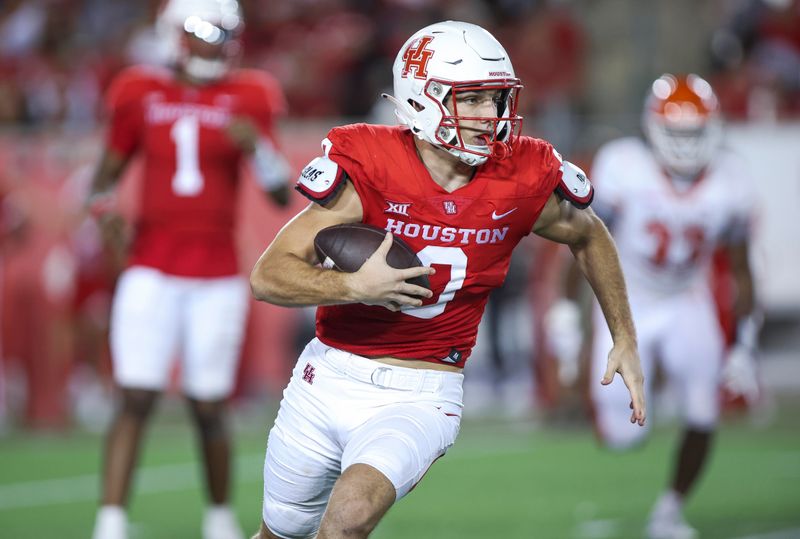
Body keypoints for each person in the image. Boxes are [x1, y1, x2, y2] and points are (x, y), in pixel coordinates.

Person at [248, 21, 645, 539]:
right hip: (327, 378)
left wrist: (624, 335)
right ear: (421, 101)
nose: (491, 117)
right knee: (278, 533)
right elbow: (267, 275)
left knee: (346, 523)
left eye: (496, 100)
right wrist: (352, 287)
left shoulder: (521, 175)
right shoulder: (371, 164)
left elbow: (589, 234)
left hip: (423, 390)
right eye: (473, 100)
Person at [87, 1, 291, 538]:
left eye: (225, 33)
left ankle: (219, 518)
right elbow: (103, 179)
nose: (216, 44)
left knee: (208, 403)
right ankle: (111, 522)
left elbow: (277, 191)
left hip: (216, 272)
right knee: (134, 395)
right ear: (172, 33)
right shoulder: (138, 90)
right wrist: (105, 215)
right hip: (150, 268)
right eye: (205, 31)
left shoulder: (250, 94)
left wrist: (261, 152)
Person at [586, 73, 759, 539]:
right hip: (626, 300)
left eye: (694, 132)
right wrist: (568, 316)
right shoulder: (624, 166)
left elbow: (742, 268)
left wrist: (744, 343)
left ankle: (670, 510)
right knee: (624, 436)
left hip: (687, 299)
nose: (685, 144)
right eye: (677, 132)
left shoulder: (731, 179)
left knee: (704, 410)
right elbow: (585, 240)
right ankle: (652, 386)